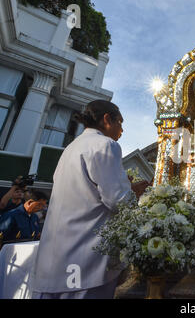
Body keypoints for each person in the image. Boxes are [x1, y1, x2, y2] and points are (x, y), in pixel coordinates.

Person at [32, 100, 150, 299]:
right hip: (85, 257)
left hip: (55, 257)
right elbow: (119, 202)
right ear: (106, 120)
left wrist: (126, 188)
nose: (122, 130)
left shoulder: (71, 148)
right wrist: (134, 194)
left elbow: (87, 194)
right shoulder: (106, 145)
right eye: (120, 123)